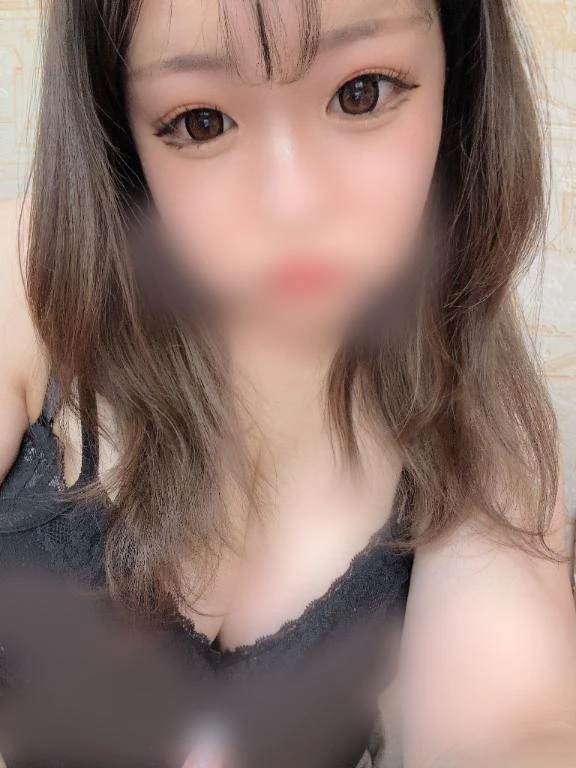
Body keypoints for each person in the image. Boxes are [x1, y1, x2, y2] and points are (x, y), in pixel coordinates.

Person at [0, 0, 575, 766]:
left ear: (458, 78)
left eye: (361, 93)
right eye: (201, 122)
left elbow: (515, 727)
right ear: (121, 130)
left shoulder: (471, 404)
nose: (292, 203)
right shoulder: (26, 282)